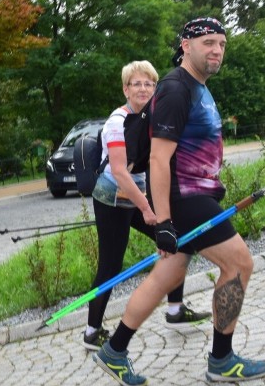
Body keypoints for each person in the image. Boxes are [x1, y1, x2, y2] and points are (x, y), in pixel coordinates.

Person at [93, 17, 265, 386]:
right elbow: (159, 159)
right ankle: (222, 359)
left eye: (222, 44)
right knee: (239, 263)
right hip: (187, 197)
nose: (217, 50)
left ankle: (115, 348)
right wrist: (163, 222)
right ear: (186, 46)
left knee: (169, 274)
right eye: (208, 42)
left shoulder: (197, 87)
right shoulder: (177, 88)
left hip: (198, 194)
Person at [83, 62, 210, 350]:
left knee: (174, 241)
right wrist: (148, 209)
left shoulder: (152, 115)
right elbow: (119, 172)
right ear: (126, 89)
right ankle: (92, 331)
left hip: (138, 195)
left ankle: (175, 310)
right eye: (136, 84)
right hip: (113, 199)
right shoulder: (117, 122)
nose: (143, 89)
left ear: (156, 89)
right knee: (111, 265)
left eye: (149, 84)